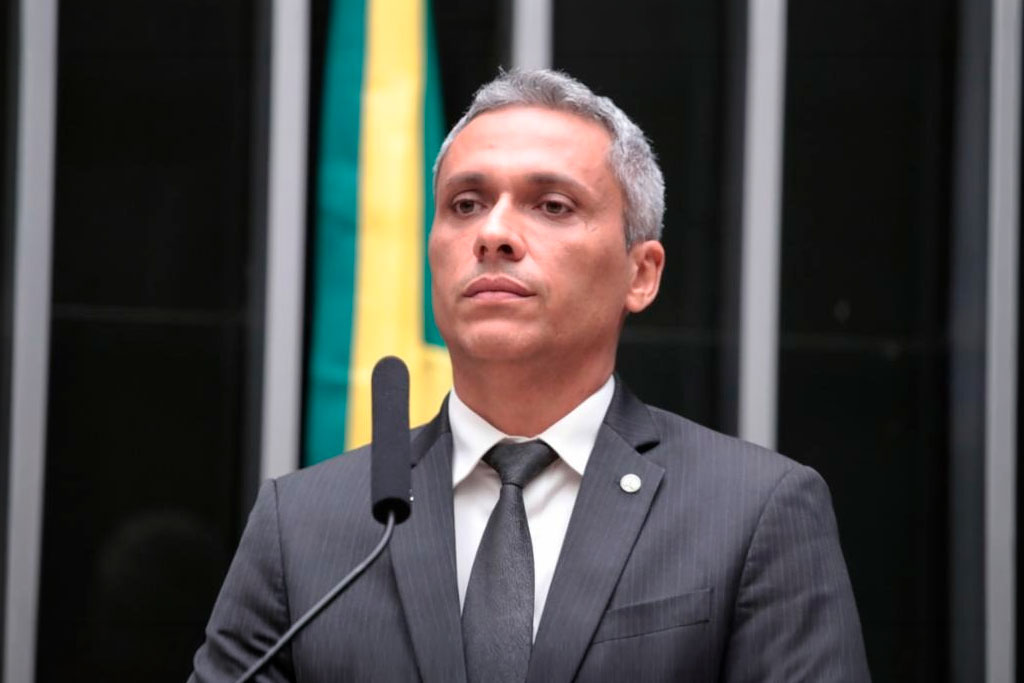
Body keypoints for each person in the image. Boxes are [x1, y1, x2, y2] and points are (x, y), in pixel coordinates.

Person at [190, 69, 870, 682]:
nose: (494, 233)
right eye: (465, 204)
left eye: (551, 205)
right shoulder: (305, 525)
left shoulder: (756, 512)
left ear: (641, 272)